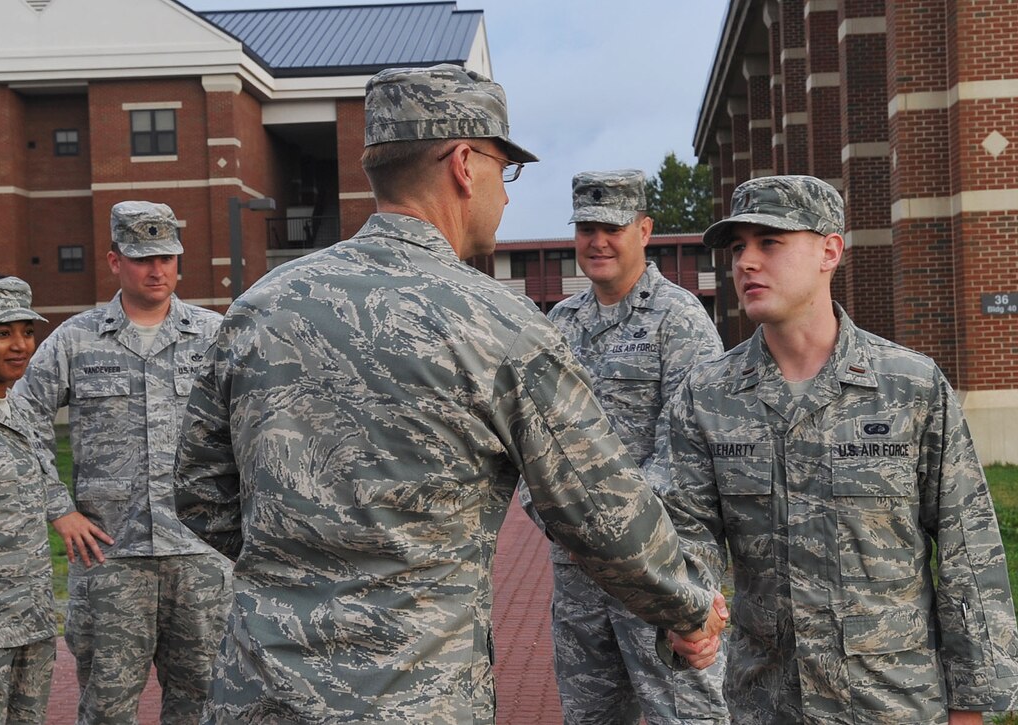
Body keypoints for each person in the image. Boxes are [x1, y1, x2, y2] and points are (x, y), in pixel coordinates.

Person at [173, 63, 727, 724]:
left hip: (258, 690)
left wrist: (301, 571)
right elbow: (600, 507)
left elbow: (200, 490)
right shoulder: (497, 324)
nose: (507, 195)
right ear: (465, 163)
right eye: (505, 169)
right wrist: (688, 605)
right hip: (413, 693)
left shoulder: (258, 307)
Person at [664, 174, 1018, 724]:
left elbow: (968, 554)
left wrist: (970, 705)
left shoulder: (910, 386)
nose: (746, 263)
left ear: (830, 250)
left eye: (770, 242)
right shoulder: (707, 395)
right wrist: (687, 615)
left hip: (892, 700)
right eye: (737, 248)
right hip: (768, 701)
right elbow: (688, 536)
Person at [523, 169, 727, 724]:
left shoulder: (679, 319)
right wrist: (560, 518)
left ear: (644, 229)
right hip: (579, 573)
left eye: (612, 227)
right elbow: (532, 442)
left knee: (684, 713)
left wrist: (610, 525)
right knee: (591, 715)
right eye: (586, 227)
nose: (598, 241)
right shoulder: (559, 324)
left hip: (658, 566)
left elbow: (689, 447)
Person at [15, 202, 231, 724]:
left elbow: (255, 427)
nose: (156, 270)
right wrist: (58, 507)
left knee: (203, 705)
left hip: (202, 556)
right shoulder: (76, 339)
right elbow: (19, 419)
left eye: (166, 257)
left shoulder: (217, 335)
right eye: (141, 259)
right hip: (111, 558)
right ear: (115, 261)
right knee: (107, 709)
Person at [0, 277, 109, 724]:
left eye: (27, 331)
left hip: (31, 623)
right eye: (2, 333)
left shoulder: (20, 410)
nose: (20, 345)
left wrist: (62, 509)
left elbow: (41, 475)